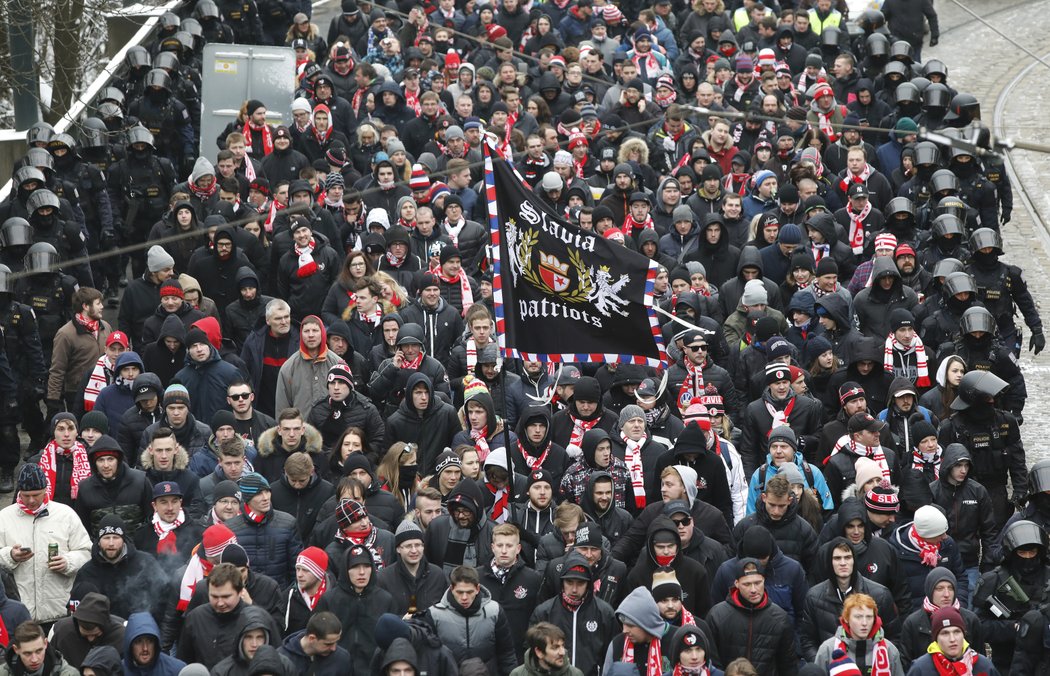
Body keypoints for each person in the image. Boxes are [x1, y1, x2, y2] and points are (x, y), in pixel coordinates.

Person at [0, 465, 92, 623]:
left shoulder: (66, 514)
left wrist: (68, 562)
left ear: (45, 490)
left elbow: (87, 552)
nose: (31, 500)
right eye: (25, 495)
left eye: (36, 495)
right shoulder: (4, 517)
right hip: (19, 613)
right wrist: (10, 556)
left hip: (59, 611)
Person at [799, 537, 900, 662]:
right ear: (829, 562)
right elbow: (808, 640)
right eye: (837, 558)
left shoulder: (880, 595)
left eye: (847, 557)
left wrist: (875, 665)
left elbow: (894, 637)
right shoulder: (814, 597)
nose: (843, 563)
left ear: (854, 560)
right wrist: (824, 665)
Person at [176, 563, 280, 669]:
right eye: (214, 596)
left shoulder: (260, 619)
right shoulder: (195, 618)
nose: (220, 603)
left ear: (240, 592)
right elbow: (184, 662)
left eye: (226, 597)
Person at [530, 551, 617, 676]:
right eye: (569, 582)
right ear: (562, 582)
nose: (574, 589)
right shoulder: (544, 612)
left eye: (580, 583)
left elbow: (612, 655)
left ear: (588, 584)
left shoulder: (605, 613)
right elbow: (533, 652)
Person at [313, 545, 397, 674]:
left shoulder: (385, 599)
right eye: (355, 567)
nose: (362, 572)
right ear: (346, 569)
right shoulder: (329, 600)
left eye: (367, 566)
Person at [706, 558, 796, 675]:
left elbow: (788, 666)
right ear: (736, 584)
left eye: (758, 583)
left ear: (764, 580)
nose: (753, 590)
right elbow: (712, 662)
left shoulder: (780, 618)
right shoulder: (717, 616)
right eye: (747, 584)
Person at [426, 564, 518, 676]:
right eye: (459, 592)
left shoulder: (494, 611)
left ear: (477, 589)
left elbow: (506, 653)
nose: (464, 597)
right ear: (452, 589)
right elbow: (430, 659)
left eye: (469, 592)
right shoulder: (435, 614)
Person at [69, 514, 165, 620]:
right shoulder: (86, 572)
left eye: (115, 537)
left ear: (123, 540)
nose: (111, 543)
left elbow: (164, 598)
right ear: (99, 542)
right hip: (102, 632)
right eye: (106, 538)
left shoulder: (146, 563)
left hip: (140, 632)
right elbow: (75, 612)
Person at [479, 523, 543, 661]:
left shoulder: (533, 579)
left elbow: (538, 620)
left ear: (518, 548)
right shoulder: (477, 578)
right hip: (486, 657)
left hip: (520, 656)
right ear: (492, 547)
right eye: (500, 545)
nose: (504, 551)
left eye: (509, 546)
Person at [227, 472, 302, 588]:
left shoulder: (288, 523)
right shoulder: (230, 528)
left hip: (279, 597)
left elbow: (296, 568)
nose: (266, 498)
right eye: (259, 493)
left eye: (267, 491)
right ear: (247, 498)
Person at [900, 568, 984, 671]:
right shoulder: (913, 623)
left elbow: (980, 662)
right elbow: (906, 665)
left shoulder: (970, 620)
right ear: (930, 590)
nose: (946, 594)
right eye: (939, 589)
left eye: (950, 588)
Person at [47, 288, 112, 415]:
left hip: (105, 389)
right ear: (86, 306)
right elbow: (57, 369)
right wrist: (53, 400)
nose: (102, 307)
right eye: (98, 303)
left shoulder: (106, 327)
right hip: (77, 394)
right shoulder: (65, 334)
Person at [275, 316, 345, 416]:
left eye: (315, 330)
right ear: (301, 334)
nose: (311, 335)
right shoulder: (289, 367)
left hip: (332, 428)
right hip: (300, 429)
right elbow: (282, 408)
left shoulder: (338, 363)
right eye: (306, 331)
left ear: (323, 333)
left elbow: (349, 400)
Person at [905, 606, 997, 676]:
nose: (952, 639)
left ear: (963, 634)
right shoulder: (921, 669)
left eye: (957, 632)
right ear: (936, 639)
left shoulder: (983, 666)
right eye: (945, 633)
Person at [602, 586, 669, 676]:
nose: (624, 630)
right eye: (623, 624)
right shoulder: (617, 644)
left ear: (646, 623)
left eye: (630, 625)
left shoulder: (674, 640)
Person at [44, 592, 119, 669]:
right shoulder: (60, 632)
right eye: (85, 635)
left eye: (96, 635)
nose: (91, 639)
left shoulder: (120, 635)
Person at [278, 611, 351, 676]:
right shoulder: (282, 660)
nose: (334, 648)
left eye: (336, 642)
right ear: (311, 638)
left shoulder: (342, 658)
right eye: (328, 644)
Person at [0, 621, 79, 676]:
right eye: (27, 653)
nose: (34, 659)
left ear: (45, 643)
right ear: (16, 650)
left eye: (39, 651)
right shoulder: (2, 673)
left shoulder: (68, 673)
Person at [120, 612, 186, 676]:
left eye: (150, 641)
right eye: (138, 642)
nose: (145, 648)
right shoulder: (120, 670)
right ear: (130, 644)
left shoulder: (177, 670)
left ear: (155, 643)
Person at [511, 623, 584, 676]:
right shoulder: (518, 674)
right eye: (555, 648)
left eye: (562, 646)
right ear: (539, 652)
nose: (562, 652)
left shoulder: (575, 674)